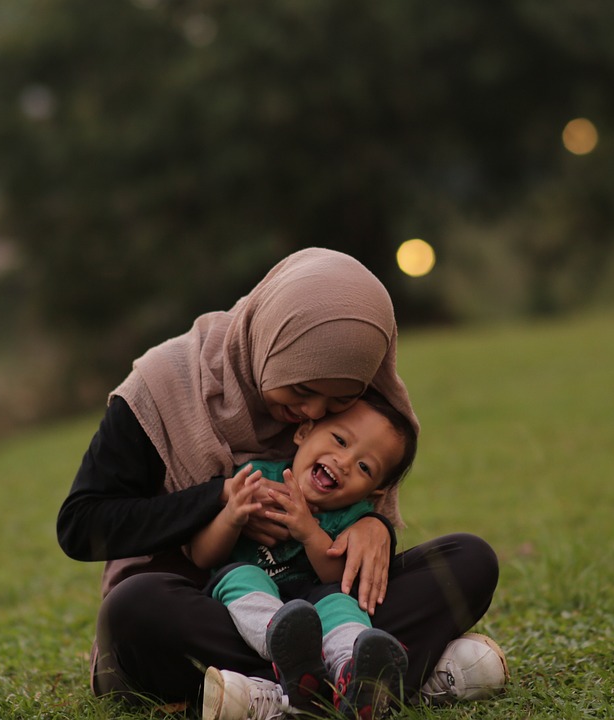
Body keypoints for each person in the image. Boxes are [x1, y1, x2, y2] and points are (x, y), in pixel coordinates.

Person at [56, 248, 506, 715]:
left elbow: (362, 495)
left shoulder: (351, 376)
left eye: (339, 401)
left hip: (326, 603)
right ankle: (373, 680)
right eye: (302, 389)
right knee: (134, 607)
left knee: (469, 561)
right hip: (204, 609)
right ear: (271, 345)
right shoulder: (163, 385)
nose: (313, 411)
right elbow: (82, 524)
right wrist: (219, 500)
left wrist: (374, 527)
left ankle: (274, 695)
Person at [186, 391, 417, 719]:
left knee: (340, 602)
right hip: (245, 607)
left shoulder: (351, 517)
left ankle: (356, 673)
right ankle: (285, 642)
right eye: (340, 440)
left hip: (314, 602)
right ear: (304, 432)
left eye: (364, 467)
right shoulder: (256, 477)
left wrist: (310, 532)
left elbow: (339, 578)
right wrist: (231, 517)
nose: (344, 462)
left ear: (375, 490)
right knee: (241, 575)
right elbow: (201, 556)